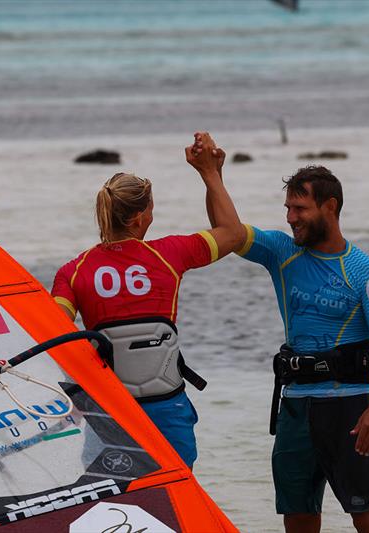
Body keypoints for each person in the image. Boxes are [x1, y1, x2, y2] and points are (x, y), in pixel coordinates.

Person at [198, 143, 369, 533]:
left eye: (300, 209)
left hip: (350, 408)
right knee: (299, 517)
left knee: (368, 517)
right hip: (295, 407)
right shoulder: (282, 252)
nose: (292, 218)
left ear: (330, 207)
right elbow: (229, 231)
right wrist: (211, 175)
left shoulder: (365, 272)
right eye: (288, 210)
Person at [51, 132, 245, 469]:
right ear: (140, 218)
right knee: (178, 504)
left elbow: (52, 336)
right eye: (152, 208)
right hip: (167, 408)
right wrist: (210, 173)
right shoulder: (168, 254)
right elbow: (232, 232)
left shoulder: (73, 271)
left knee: (115, 502)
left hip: (110, 413)